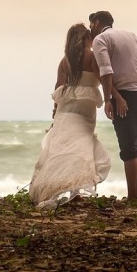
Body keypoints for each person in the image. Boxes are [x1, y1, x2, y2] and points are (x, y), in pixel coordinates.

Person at [28, 23, 112, 209]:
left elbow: (59, 87)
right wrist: (113, 98)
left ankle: (59, 188)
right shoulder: (92, 57)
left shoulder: (65, 61)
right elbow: (104, 78)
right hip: (84, 111)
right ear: (86, 39)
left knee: (61, 147)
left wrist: (55, 110)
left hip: (65, 111)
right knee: (81, 146)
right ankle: (73, 191)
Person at [89, 10, 137, 201]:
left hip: (123, 96)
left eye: (91, 24)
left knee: (128, 148)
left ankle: (132, 197)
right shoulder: (131, 35)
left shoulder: (100, 39)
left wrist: (109, 99)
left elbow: (106, 71)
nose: (90, 28)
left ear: (97, 22)